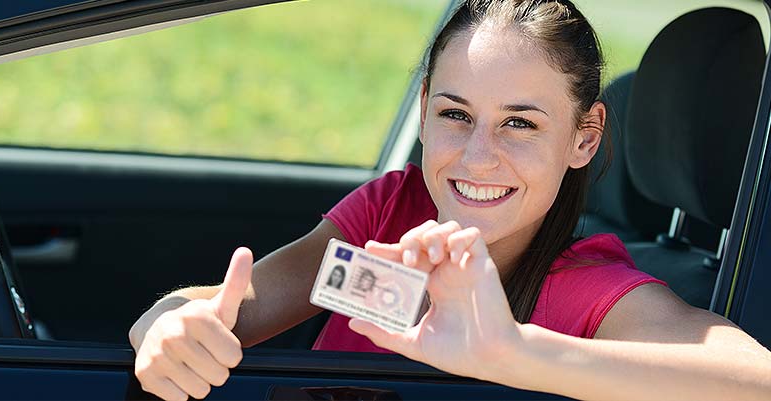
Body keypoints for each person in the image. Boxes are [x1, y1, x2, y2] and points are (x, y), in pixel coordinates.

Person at [130, 1, 771, 400]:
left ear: (585, 136)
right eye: (455, 114)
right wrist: (168, 323)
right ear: (423, 111)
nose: (475, 157)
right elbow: (235, 306)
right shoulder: (390, 214)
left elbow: (754, 380)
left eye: (520, 123)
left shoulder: (585, 289)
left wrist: (512, 351)